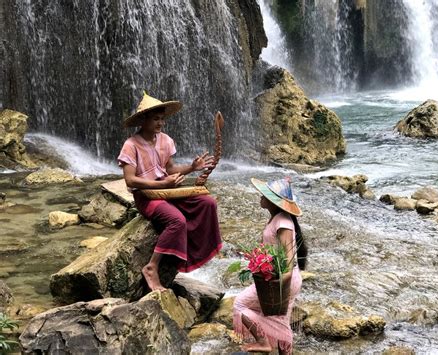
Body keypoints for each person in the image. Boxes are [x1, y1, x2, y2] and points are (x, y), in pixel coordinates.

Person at [118, 92, 222, 291]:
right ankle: (152, 266)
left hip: (168, 190)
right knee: (177, 221)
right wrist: (162, 185)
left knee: (208, 202)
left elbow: (170, 170)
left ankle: (197, 252)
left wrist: (192, 168)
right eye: (156, 119)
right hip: (146, 196)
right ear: (143, 120)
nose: (160, 123)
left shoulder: (165, 140)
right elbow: (130, 180)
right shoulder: (130, 145)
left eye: (162, 119)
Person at [233, 177, 307, 354]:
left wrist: (281, 286)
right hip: (279, 277)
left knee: (240, 305)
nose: (260, 196)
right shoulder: (279, 218)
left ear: (274, 201)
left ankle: (263, 342)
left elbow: (288, 259)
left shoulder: (283, 222)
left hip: (283, 279)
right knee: (281, 320)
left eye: (265, 194)